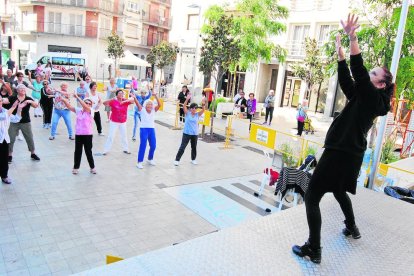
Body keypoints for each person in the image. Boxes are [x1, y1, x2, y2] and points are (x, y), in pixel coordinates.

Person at [292, 14, 395, 264]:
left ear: (380, 84)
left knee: (312, 196)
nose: (368, 74)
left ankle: (313, 248)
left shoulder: (373, 98)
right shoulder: (364, 97)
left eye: (373, 74)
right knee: (339, 190)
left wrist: (352, 37)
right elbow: (349, 82)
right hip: (350, 152)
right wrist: (340, 55)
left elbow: (358, 72)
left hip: (340, 150)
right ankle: (352, 227)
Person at [2, 84, 41, 163]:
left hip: (25, 122)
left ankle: (33, 153)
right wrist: (1, 99)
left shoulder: (28, 98)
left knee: (29, 137)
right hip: (13, 122)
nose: (23, 90)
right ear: (17, 90)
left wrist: (30, 101)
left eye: (24, 89)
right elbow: (5, 100)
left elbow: (36, 105)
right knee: (11, 138)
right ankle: (9, 155)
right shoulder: (13, 98)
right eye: (21, 89)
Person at [60, 94, 97, 175]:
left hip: (87, 134)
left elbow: (86, 107)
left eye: (89, 103)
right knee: (77, 151)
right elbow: (69, 107)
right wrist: (63, 99)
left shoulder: (91, 110)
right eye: (86, 102)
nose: (87, 104)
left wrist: (77, 97)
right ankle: (76, 167)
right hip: (79, 134)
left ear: (91, 105)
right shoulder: (79, 110)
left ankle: (92, 167)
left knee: (88, 151)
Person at [174, 93, 206, 166]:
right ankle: (177, 160)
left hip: (194, 134)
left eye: (196, 108)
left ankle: (193, 159)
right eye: (193, 108)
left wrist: (203, 103)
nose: (194, 109)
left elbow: (203, 110)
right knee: (182, 147)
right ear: (190, 108)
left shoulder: (197, 114)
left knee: (194, 147)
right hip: (186, 133)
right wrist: (187, 99)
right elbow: (184, 106)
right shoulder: (187, 113)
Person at [0, 98, 26, 184]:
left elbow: (16, 119)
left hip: (4, 139)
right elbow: (3, 117)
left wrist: (19, 108)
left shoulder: (5, 110)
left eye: (0, 100)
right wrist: (14, 107)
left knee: (4, 159)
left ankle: (4, 176)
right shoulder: (6, 112)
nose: (0, 102)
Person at [134, 91, 161, 169]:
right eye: (148, 104)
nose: (150, 105)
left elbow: (159, 104)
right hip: (144, 129)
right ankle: (139, 162)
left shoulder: (153, 110)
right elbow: (137, 104)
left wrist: (156, 96)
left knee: (153, 145)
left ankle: (150, 158)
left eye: (151, 104)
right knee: (143, 145)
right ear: (145, 105)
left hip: (151, 129)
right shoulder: (142, 110)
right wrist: (134, 98)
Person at [102, 89, 134, 155]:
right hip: (114, 121)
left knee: (124, 136)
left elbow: (132, 101)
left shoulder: (125, 101)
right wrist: (112, 99)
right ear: (116, 95)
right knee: (111, 136)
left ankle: (126, 149)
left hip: (123, 122)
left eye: (122, 93)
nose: (121, 94)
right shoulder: (113, 101)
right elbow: (104, 103)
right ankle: (105, 150)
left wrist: (125, 99)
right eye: (119, 93)